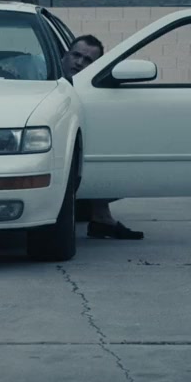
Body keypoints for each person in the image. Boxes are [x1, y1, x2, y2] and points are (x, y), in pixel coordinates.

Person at [61, 35, 145, 241]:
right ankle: (101, 218)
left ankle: (101, 217)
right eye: (76, 55)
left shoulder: (94, 90)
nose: (79, 62)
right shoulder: (40, 76)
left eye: (87, 60)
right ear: (64, 55)